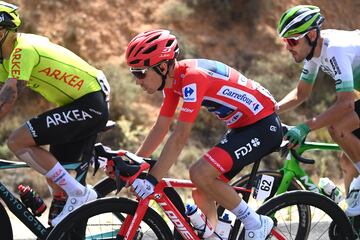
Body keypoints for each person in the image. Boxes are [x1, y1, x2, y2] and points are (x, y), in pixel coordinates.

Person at [125, 29, 282, 239]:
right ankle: (217, 233)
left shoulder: (193, 78)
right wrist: (134, 161)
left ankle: (256, 223)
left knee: (199, 173)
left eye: (140, 73)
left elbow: (180, 137)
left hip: (263, 126)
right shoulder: (173, 82)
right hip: (242, 128)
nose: (138, 80)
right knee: (201, 191)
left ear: (162, 67)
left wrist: (152, 181)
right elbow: (160, 129)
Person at [0, 2, 110, 225]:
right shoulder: (4, 61)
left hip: (90, 103)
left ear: (3, 32)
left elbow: (8, 97)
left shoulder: (22, 49)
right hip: (76, 105)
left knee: (17, 141)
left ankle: (80, 194)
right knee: (56, 183)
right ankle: (69, 205)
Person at [276, 5, 360, 216]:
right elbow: (301, 94)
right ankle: (351, 224)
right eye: (286, 41)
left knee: (339, 128)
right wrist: (271, 110)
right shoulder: (314, 52)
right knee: (348, 162)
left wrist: (305, 127)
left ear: (312, 34)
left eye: (293, 40)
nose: (288, 47)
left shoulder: (335, 50)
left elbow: (346, 104)